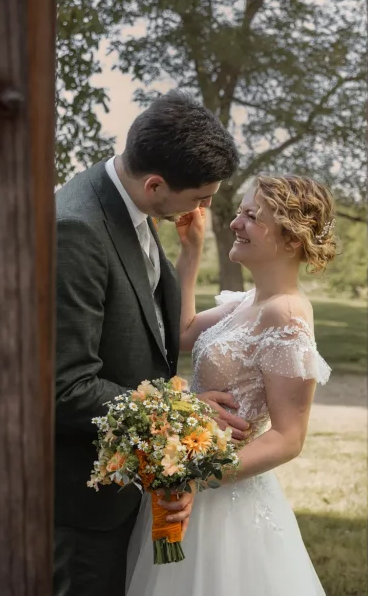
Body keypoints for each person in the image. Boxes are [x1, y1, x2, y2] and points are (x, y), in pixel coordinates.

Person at [54, 89, 249, 596]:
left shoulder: (131, 205)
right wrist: (179, 413)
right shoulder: (76, 229)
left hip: (128, 484)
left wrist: (189, 256)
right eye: (201, 197)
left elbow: (152, 333)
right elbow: (65, 385)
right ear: (156, 183)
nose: (207, 208)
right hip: (81, 502)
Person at [125, 174, 336, 595]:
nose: (235, 224)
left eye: (251, 216)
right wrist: (191, 251)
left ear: (292, 240)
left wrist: (197, 478)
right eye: (239, 212)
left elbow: (288, 437)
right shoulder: (246, 302)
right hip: (190, 479)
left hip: (223, 493)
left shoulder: (287, 314)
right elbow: (183, 332)